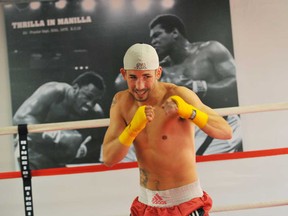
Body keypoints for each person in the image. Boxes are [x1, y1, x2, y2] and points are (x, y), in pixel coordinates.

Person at [102, 43, 232, 215]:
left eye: (146, 76)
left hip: (185, 203)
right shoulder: (121, 103)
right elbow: (109, 158)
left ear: (158, 72)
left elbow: (225, 131)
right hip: (145, 204)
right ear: (123, 74)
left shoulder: (178, 95)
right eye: (133, 77)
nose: (139, 86)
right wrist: (132, 129)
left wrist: (190, 112)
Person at [114, 14, 242, 156]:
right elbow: (120, 83)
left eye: (157, 35)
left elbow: (237, 81)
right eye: (152, 38)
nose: (153, 42)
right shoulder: (161, 69)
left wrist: (197, 87)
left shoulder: (210, 50)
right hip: (185, 128)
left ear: (174, 33)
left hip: (218, 120)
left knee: (191, 164)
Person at [13, 71, 106, 170]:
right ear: (75, 88)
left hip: (56, 162)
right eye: (88, 97)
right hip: (31, 153)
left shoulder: (95, 113)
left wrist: (84, 149)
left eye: (95, 101)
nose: (90, 104)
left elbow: (99, 140)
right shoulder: (54, 91)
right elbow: (20, 118)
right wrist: (56, 135)